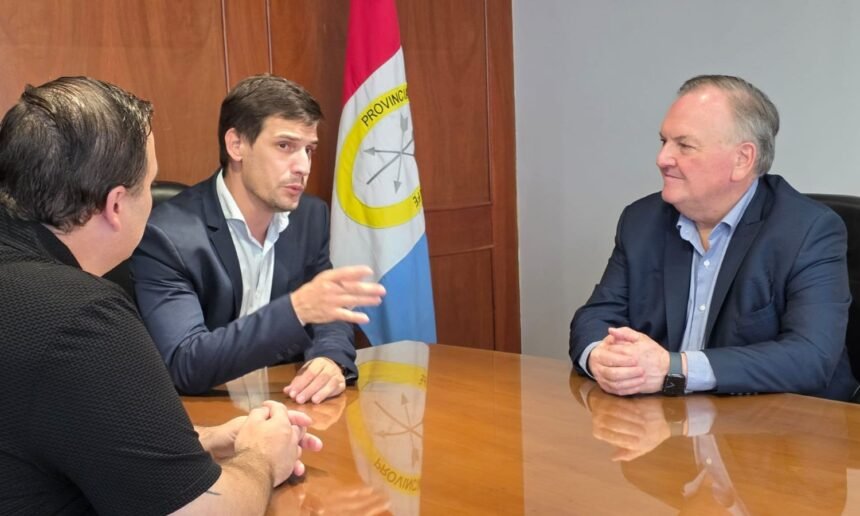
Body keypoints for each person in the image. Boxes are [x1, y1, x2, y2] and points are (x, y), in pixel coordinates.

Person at [0, 76, 322, 514]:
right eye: (148, 185)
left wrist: (197, 441)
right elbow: (203, 511)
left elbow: (54, 427)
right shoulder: (81, 315)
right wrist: (263, 455)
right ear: (116, 206)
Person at [569, 74, 858, 401]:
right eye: (664, 141)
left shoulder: (807, 230)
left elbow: (811, 357)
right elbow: (595, 317)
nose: (662, 159)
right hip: (671, 418)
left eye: (684, 145)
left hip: (782, 422)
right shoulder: (641, 220)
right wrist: (601, 357)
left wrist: (674, 368)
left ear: (742, 160)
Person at [131, 74, 385, 401]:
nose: (303, 166)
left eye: (309, 150)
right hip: (207, 413)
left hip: (287, 402)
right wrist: (296, 309)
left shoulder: (310, 217)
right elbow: (185, 363)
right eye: (285, 146)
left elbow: (328, 312)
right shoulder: (166, 236)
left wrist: (329, 359)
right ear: (236, 145)